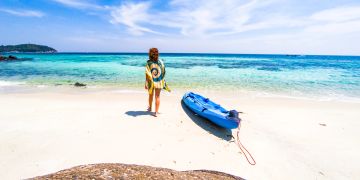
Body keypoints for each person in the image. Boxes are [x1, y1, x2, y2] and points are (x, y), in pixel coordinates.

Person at [145, 48, 170, 117]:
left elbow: (147, 73)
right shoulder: (161, 62)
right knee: (157, 96)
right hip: (159, 80)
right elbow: (164, 71)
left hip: (151, 81)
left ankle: (150, 107)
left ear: (150, 54)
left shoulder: (148, 62)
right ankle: (156, 112)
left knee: (150, 95)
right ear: (157, 54)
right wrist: (162, 79)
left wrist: (146, 82)